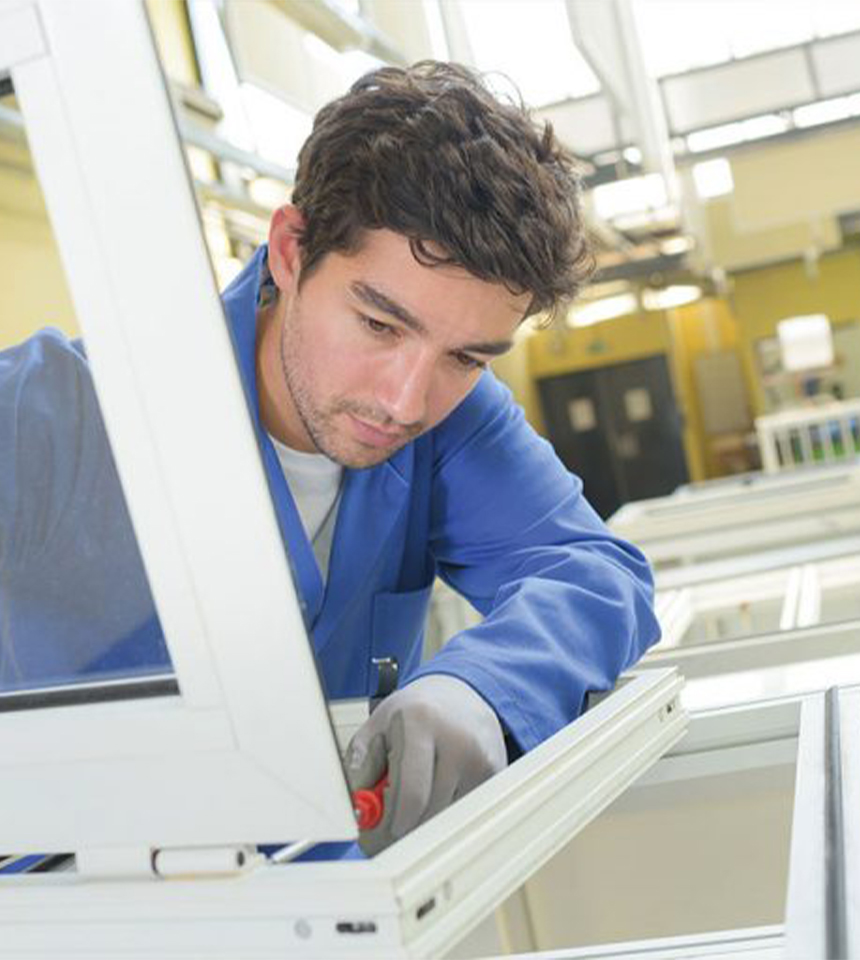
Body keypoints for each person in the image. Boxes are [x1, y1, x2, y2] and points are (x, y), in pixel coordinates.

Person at [0, 62, 659, 854]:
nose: (406, 402)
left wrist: (481, 686)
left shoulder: (456, 425)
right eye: (380, 325)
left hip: (338, 899)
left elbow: (595, 573)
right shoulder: (53, 411)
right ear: (290, 251)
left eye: (465, 357)